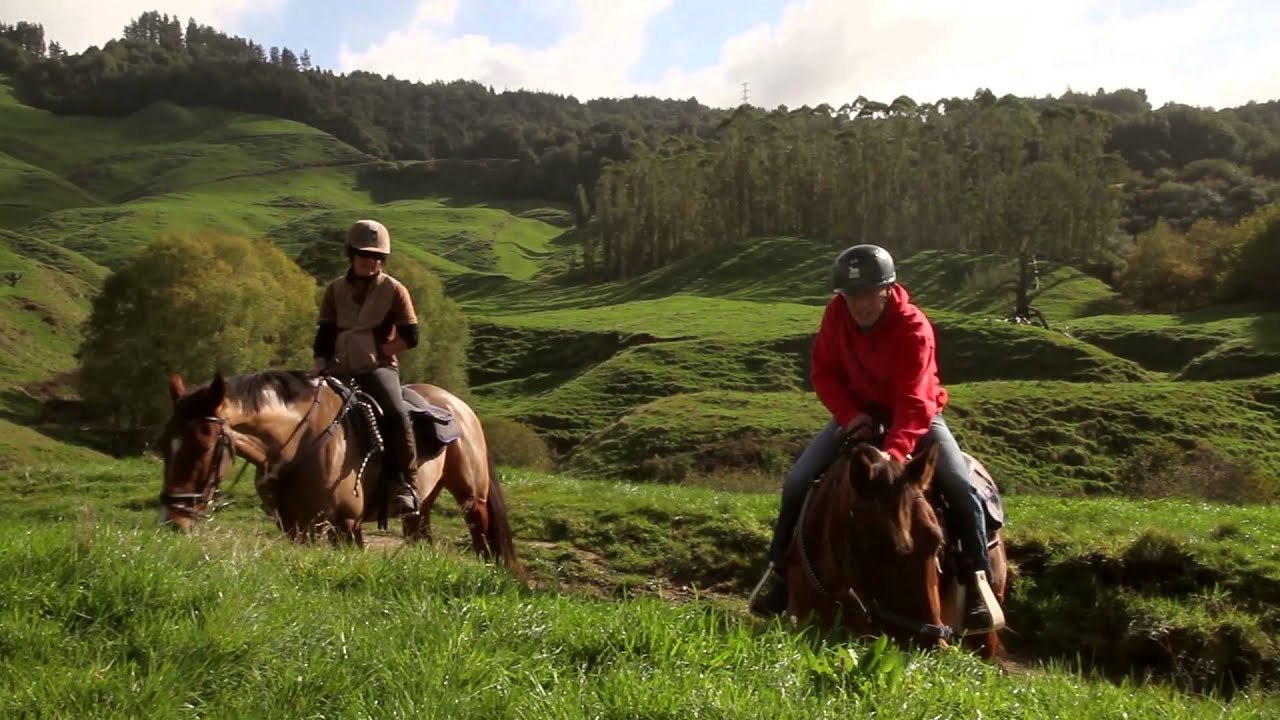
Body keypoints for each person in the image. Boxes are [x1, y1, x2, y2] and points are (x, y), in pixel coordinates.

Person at [748, 243, 1004, 634]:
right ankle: (779, 572)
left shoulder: (913, 327)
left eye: (869, 293)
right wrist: (852, 417)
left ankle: (977, 583)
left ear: (888, 289)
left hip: (916, 417)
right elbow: (824, 374)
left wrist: (895, 452)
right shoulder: (835, 317)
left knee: (958, 484)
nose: (861, 304)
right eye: (852, 296)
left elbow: (916, 399)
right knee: (798, 480)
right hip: (860, 416)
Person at [311, 219, 422, 516]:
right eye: (363, 254)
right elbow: (324, 332)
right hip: (336, 367)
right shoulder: (334, 289)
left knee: (397, 414)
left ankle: (406, 484)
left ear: (382, 260)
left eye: (375, 256)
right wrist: (320, 365)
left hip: (377, 369)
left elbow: (411, 336)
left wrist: (381, 351)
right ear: (351, 254)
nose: (368, 261)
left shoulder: (395, 290)